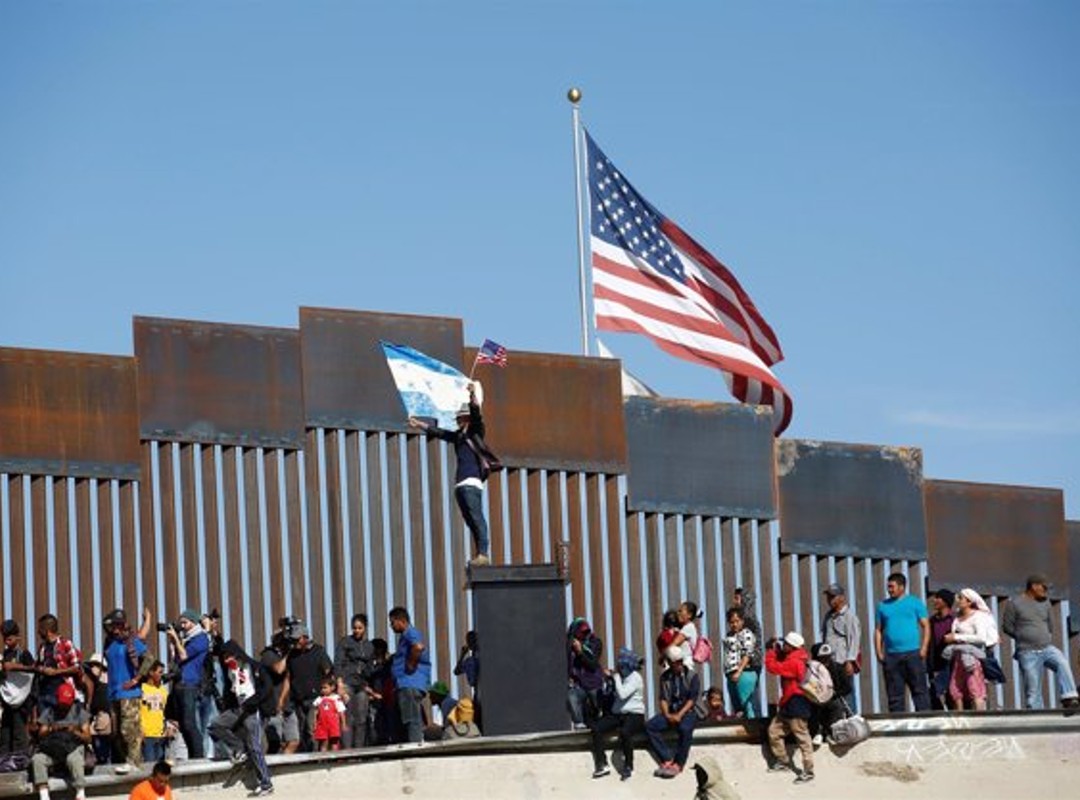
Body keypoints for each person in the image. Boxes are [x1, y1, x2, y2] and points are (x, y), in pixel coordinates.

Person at [408, 381, 499, 566]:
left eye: (460, 418)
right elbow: (440, 433)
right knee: (470, 520)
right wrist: (419, 425)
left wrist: (472, 395)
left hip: (472, 483)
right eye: (457, 419)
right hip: (460, 485)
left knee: (476, 517)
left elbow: (476, 414)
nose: (458, 421)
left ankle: (483, 553)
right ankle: (479, 555)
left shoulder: (475, 432)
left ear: (467, 419)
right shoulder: (458, 436)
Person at [1001, 574, 1079, 711]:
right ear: (1034, 586)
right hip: (1027, 651)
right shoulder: (1015, 603)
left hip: (1046, 647)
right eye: (1044, 587)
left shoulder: (1046, 602)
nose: (1045, 590)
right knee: (1032, 686)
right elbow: (1007, 627)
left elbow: (1050, 625)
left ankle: (1069, 697)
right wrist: (1022, 636)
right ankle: (1037, 713)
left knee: (1062, 662)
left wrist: (1044, 636)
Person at [209, 640, 274, 796]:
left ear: (236, 654)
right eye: (223, 658)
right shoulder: (230, 670)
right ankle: (239, 748)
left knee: (255, 746)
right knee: (215, 725)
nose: (225, 661)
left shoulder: (254, 667)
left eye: (228, 657)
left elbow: (267, 687)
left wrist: (254, 701)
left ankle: (266, 783)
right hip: (238, 708)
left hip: (252, 709)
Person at [104, 607, 153, 773]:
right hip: (113, 693)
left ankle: (133, 762)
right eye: (113, 625)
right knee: (117, 732)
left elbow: (149, 658)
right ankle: (129, 761)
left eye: (118, 625)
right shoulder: (110, 642)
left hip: (129, 693)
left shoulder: (131, 641)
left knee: (129, 729)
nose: (115, 629)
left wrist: (136, 679)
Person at [874, 573, 930, 712]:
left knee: (919, 691)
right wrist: (879, 652)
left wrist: (924, 648)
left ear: (902, 587)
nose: (890, 590)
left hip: (913, 653)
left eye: (892, 587)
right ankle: (898, 727)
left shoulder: (915, 602)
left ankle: (925, 724)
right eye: (888, 587)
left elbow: (926, 626)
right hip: (892, 656)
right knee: (894, 695)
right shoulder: (882, 606)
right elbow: (878, 630)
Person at [764, 632, 815, 784]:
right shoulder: (795, 657)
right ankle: (784, 761)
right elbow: (781, 659)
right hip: (788, 702)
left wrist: (771, 652)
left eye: (785, 644)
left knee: (802, 738)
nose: (783, 646)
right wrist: (776, 649)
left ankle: (808, 770)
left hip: (796, 702)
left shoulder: (795, 662)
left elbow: (773, 667)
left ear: (791, 647)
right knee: (774, 731)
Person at [589, 647, 645, 780]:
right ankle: (602, 763)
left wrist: (616, 677)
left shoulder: (635, 677)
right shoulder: (621, 678)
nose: (619, 668)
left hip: (634, 714)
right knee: (596, 728)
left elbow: (623, 694)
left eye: (621, 666)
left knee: (625, 732)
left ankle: (629, 766)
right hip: (618, 714)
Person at [644, 645, 699, 779]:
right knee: (650, 726)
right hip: (672, 711)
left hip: (688, 711)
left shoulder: (692, 676)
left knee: (685, 728)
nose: (678, 664)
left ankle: (679, 764)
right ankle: (667, 759)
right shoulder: (665, 677)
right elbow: (663, 698)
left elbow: (692, 700)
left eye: (680, 661)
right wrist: (667, 715)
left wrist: (680, 715)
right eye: (675, 662)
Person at [29, 683, 91, 800]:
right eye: (62, 704)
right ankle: (44, 794)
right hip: (53, 749)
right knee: (38, 759)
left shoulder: (79, 712)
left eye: (67, 705)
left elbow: (88, 738)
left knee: (75, 759)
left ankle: (80, 793)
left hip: (72, 748)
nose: (64, 707)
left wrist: (74, 731)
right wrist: (52, 728)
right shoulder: (50, 712)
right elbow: (40, 734)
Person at [942, 588, 999, 711]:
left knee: (975, 689)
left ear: (969, 602)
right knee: (955, 689)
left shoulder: (978, 617)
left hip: (972, 658)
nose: (958, 600)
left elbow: (981, 638)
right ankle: (961, 722)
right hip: (958, 658)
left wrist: (957, 637)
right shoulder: (958, 617)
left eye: (961, 598)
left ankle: (980, 720)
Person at [166, 609, 211, 759]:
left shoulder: (201, 638)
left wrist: (176, 639)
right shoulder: (186, 639)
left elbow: (184, 655)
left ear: (193, 622)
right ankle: (192, 756)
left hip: (190, 684)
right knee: (183, 725)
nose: (183, 626)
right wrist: (173, 641)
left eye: (185, 622)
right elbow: (176, 658)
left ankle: (198, 757)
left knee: (189, 723)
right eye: (181, 623)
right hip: (179, 683)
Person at [284, 624, 333, 751]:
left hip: (315, 700)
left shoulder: (318, 651)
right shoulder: (291, 655)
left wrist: (326, 693)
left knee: (312, 730)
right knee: (301, 732)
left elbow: (329, 671)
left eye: (297, 639)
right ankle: (306, 757)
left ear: (305, 638)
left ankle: (317, 758)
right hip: (298, 701)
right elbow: (287, 677)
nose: (295, 642)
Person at [388, 606, 431, 744]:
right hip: (406, 684)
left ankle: (415, 747)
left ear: (401, 621)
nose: (391, 626)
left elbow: (418, 647)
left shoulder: (410, 632)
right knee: (409, 717)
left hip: (410, 683)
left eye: (392, 622)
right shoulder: (405, 636)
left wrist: (411, 664)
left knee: (412, 719)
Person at [334, 613, 375, 749]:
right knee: (347, 717)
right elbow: (338, 663)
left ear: (365, 628)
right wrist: (339, 684)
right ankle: (347, 750)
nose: (356, 631)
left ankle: (359, 750)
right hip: (347, 683)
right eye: (354, 628)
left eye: (360, 628)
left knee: (362, 718)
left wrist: (369, 686)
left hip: (361, 685)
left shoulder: (369, 646)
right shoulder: (345, 642)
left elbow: (370, 668)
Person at [819, 583, 861, 710]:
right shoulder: (828, 616)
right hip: (830, 662)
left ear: (842, 597)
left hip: (843, 661)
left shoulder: (849, 617)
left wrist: (850, 661)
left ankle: (852, 719)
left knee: (847, 693)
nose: (830, 600)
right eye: (828, 597)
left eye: (833, 596)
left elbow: (854, 639)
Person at [1, 619, 37, 755]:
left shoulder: (24, 654)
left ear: (18, 637)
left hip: (22, 702)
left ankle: (18, 762)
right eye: (5, 639)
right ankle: (4, 761)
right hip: (7, 700)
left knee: (18, 733)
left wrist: (14, 666)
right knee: (5, 733)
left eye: (9, 639)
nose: (6, 642)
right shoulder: (4, 655)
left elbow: (34, 670)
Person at [34, 614, 82, 715]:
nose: (38, 632)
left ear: (47, 630)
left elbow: (77, 668)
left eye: (40, 629)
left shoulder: (66, 644)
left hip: (62, 693)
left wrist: (55, 672)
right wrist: (41, 669)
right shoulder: (42, 647)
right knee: (44, 727)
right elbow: (37, 666)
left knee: (62, 725)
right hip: (45, 692)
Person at [808, 643, 851, 744]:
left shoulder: (837, 668)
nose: (826, 661)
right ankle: (817, 732)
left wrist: (832, 694)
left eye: (828, 657)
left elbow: (847, 688)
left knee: (836, 706)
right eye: (822, 658)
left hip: (833, 699)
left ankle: (833, 733)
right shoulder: (810, 670)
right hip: (815, 700)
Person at [566, 617, 604, 729]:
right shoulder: (570, 644)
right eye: (582, 632)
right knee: (571, 696)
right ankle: (578, 723)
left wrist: (580, 652)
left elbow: (592, 665)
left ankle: (600, 721)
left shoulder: (595, 643)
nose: (585, 634)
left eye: (587, 631)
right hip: (579, 684)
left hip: (593, 682)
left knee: (597, 705)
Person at [721, 607, 758, 718]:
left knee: (746, 703)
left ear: (742, 621)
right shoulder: (730, 635)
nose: (734, 624)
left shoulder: (746, 634)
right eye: (732, 622)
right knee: (737, 706)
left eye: (737, 621)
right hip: (731, 673)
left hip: (743, 673)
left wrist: (739, 671)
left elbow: (747, 653)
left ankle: (752, 728)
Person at [926, 588, 956, 709]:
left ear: (945, 602)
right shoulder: (932, 621)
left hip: (952, 661)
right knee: (935, 691)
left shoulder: (954, 620)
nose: (935, 600)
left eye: (938, 598)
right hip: (936, 662)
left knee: (952, 693)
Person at [82, 653, 112, 765]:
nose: (92, 668)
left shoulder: (104, 678)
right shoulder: (94, 680)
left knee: (102, 747)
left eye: (95, 665)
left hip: (103, 716)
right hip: (96, 716)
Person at [139, 661, 169, 763]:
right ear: (151, 672)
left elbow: (164, 712)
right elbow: (137, 711)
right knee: (149, 765)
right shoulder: (141, 689)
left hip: (160, 735)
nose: (162, 675)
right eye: (160, 672)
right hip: (147, 735)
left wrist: (166, 728)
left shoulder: (163, 690)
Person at [312, 675, 346, 751]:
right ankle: (322, 759)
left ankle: (335, 758)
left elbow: (341, 712)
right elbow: (316, 712)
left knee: (334, 742)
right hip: (322, 724)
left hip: (333, 724)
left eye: (325, 688)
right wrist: (314, 723)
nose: (323, 690)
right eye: (322, 688)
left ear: (332, 687)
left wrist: (343, 724)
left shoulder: (336, 698)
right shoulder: (319, 699)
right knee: (324, 742)